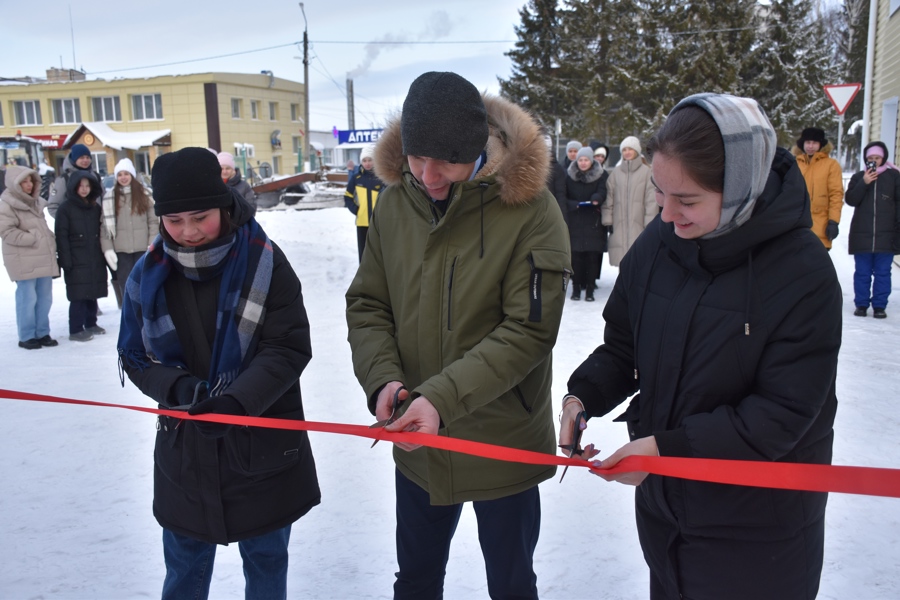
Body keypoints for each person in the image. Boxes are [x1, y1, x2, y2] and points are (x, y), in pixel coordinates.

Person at [560, 94, 841, 599]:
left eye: (686, 200)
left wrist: (668, 449)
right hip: (667, 523)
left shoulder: (803, 273)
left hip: (759, 539)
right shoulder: (659, 243)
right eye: (659, 192)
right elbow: (625, 345)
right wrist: (582, 396)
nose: (666, 214)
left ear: (738, 189)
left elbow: (781, 414)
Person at [346, 71, 570, 600]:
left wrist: (441, 399)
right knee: (417, 580)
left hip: (503, 442)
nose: (428, 175)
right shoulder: (397, 200)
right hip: (419, 443)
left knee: (512, 584)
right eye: (417, 158)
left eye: (445, 160)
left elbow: (529, 332)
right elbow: (369, 303)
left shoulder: (531, 210)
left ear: (478, 149)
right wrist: (383, 381)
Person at [117, 147, 320, 600]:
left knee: (266, 561)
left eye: (200, 216)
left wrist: (236, 400)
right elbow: (133, 354)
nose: (188, 232)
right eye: (174, 220)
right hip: (185, 447)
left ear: (224, 205)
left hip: (262, 439)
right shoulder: (148, 274)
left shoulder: (265, 260)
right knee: (185, 565)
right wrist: (176, 387)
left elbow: (288, 346)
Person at [0, 166, 60, 349]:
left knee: (45, 298)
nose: (28, 185)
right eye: (24, 181)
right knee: (28, 298)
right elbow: (6, 231)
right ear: (14, 183)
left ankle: (42, 332)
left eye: (30, 181)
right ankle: (26, 336)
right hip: (23, 258)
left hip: (41, 256)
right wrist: (33, 238)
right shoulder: (7, 204)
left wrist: (49, 239)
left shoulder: (36, 202)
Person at [844, 141, 900, 318]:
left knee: (883, 273)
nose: (874, 161)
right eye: (870, 158)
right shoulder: (858, 177)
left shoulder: (894, 177)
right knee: (862, 272)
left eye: (877, 158)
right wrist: (864, 182)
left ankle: (879, 306)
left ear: (883, 158)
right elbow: (851, 200)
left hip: (886, 235)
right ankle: (861, 304)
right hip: (863, 234)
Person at [54, 170, 108, 342]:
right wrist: (65, 260)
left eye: (87, 186)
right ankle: (76, 329)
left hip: (94, 256)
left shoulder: (94, 207)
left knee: (92, 291)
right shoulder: (65, 208)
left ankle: (91, 323)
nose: (84, 189)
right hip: (75, 259)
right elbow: (61, 235)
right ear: (74, 187)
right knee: (78, 294)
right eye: (80, 186)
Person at [100, 158, 158, 308]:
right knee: (126, 284)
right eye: (120, 174)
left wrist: (152, 243)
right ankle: (129, 310)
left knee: (144, 281)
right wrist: (107, 249)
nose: (123, 177)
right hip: (121, 251)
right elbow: (105, 227)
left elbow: (153, 221)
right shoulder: (109, 198)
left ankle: (147, 307)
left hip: (142, 249)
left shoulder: (145, 195)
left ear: (132, 175)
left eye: (126, 174)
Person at [603, 136, 656, 267]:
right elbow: (609, 198)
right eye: (624, 149)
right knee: (623, 262)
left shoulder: (646, 172)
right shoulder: (615, 173)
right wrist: (608, 220)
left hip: (639, 224)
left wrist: (649, 224)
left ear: (636, 151)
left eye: (630, 149)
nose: (627, 152)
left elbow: (651, 201)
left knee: (639, 260)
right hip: (619, 224)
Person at [564, 145, 608, 301]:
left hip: (593, 223)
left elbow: (603, 191)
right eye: (580, 160)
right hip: (575, 222)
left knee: (591, 258)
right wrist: (572, 204)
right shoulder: (570, 176)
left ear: (591, 161)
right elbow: (564, 196)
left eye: (586, 160)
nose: (583, 163)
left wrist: (597, 198)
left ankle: (589, 291)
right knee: (576, 258)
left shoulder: (600, 176)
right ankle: (576, 290)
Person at [793, 127, 844, 250]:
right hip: (796, 225)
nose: (811, 146)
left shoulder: (831, 165)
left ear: (821, 144)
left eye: (815, 143)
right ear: (802, 144)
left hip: (821, 225)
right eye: (808, 142)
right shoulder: (794, 163)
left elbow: (836, 194)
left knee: (817, 267)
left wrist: (833, 221)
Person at [344, 145, 385, 262]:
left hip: (379, 224)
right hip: (362, 223)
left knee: (380, 254)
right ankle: (364, 279)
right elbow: (347, 196)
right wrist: (356, 210)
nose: (367, 163)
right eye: (364, 160)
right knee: (363, 255)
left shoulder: (381, 178)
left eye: (370, 160)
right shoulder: (356, 178)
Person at [48, 143, 93, 218]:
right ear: (74, 159)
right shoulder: (64, 180)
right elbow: (53, 206)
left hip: (96, 226)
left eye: (88, 157)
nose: (85, 160)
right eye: (81, 157)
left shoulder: (95, 177)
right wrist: (66, 222)